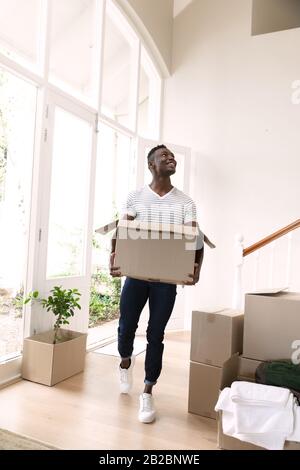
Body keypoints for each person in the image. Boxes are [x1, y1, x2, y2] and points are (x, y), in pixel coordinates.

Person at [110, 144, 204, 424]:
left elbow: (195, 239)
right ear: (151, 165)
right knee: (126, 326)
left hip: (165, 281)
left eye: (172, 156)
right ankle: (125, 361)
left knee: (156, 334)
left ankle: (148, 389)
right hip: (136, 277)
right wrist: (113, 258)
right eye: (164, 156)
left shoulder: (185, 202)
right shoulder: (135, 197)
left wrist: (196, 268)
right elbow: (122, 231)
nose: (171, 158)